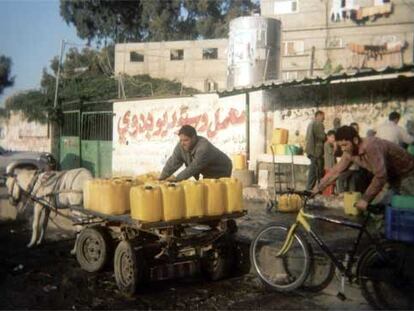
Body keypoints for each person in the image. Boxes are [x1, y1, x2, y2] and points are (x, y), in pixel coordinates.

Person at [313, 126, 414, 210]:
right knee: (376, 210)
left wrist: (365, 199)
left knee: (407, 208)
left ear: (355, 140)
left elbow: (380, 176)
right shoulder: (349, 152)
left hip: (407, 174)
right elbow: (336, 171)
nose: (343, 149)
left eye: (345, 145)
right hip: (389, 177)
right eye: (341, 146)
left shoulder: (371, 146)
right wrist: (318, 187)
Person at [159, 125, 232, 181]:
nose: (182, 143)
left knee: (214, 191)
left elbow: (193, 168)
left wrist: (176, 180)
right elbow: (173, 162)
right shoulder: (180, 146)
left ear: (194, 138)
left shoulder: (203, 147)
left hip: (221, 168)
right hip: (207, 170)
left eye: (186, 140)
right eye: (181, 140)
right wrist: (161, 178)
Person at [305, 110, 326, 190]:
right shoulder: (318, 123)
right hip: (316, 151)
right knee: (315, 171)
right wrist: (327, 137)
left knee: (314, 170)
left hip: (311, 150)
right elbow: (322, 136)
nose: (324, 119)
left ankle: (310, 189)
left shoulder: (310, 124)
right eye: (323, 117)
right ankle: (309, 189)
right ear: (319, 115)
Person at [322, 130, 336, 196]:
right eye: (332, 137)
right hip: (328, 165)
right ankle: (328, 193)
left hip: (332, 165)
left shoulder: (330, 144)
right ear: (328, 137)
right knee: (329, 179)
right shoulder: (327, 144)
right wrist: (335, 146)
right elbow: (332, 153)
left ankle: (331, 192)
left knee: (332, 179)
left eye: (334, 138)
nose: (333, 139)